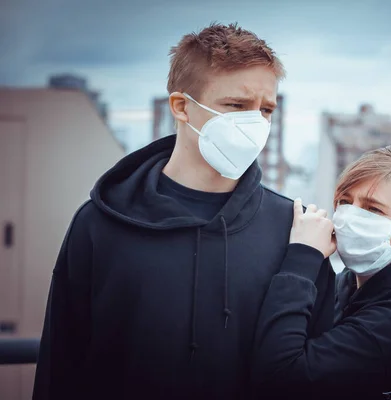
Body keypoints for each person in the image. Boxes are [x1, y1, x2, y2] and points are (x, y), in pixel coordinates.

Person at [33, 23, 335, 400]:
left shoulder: (298, 232)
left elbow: (317, 375)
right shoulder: (99, 224)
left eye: (266, 109)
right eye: (236, 105)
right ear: (181, 107)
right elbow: (61, 367)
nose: (255, 123)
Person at [252, 146, 391, 399]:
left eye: (373, 209)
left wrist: (302, 256)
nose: (350, 216)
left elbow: (280, 376)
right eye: (345, 202)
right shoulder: (353, 285)